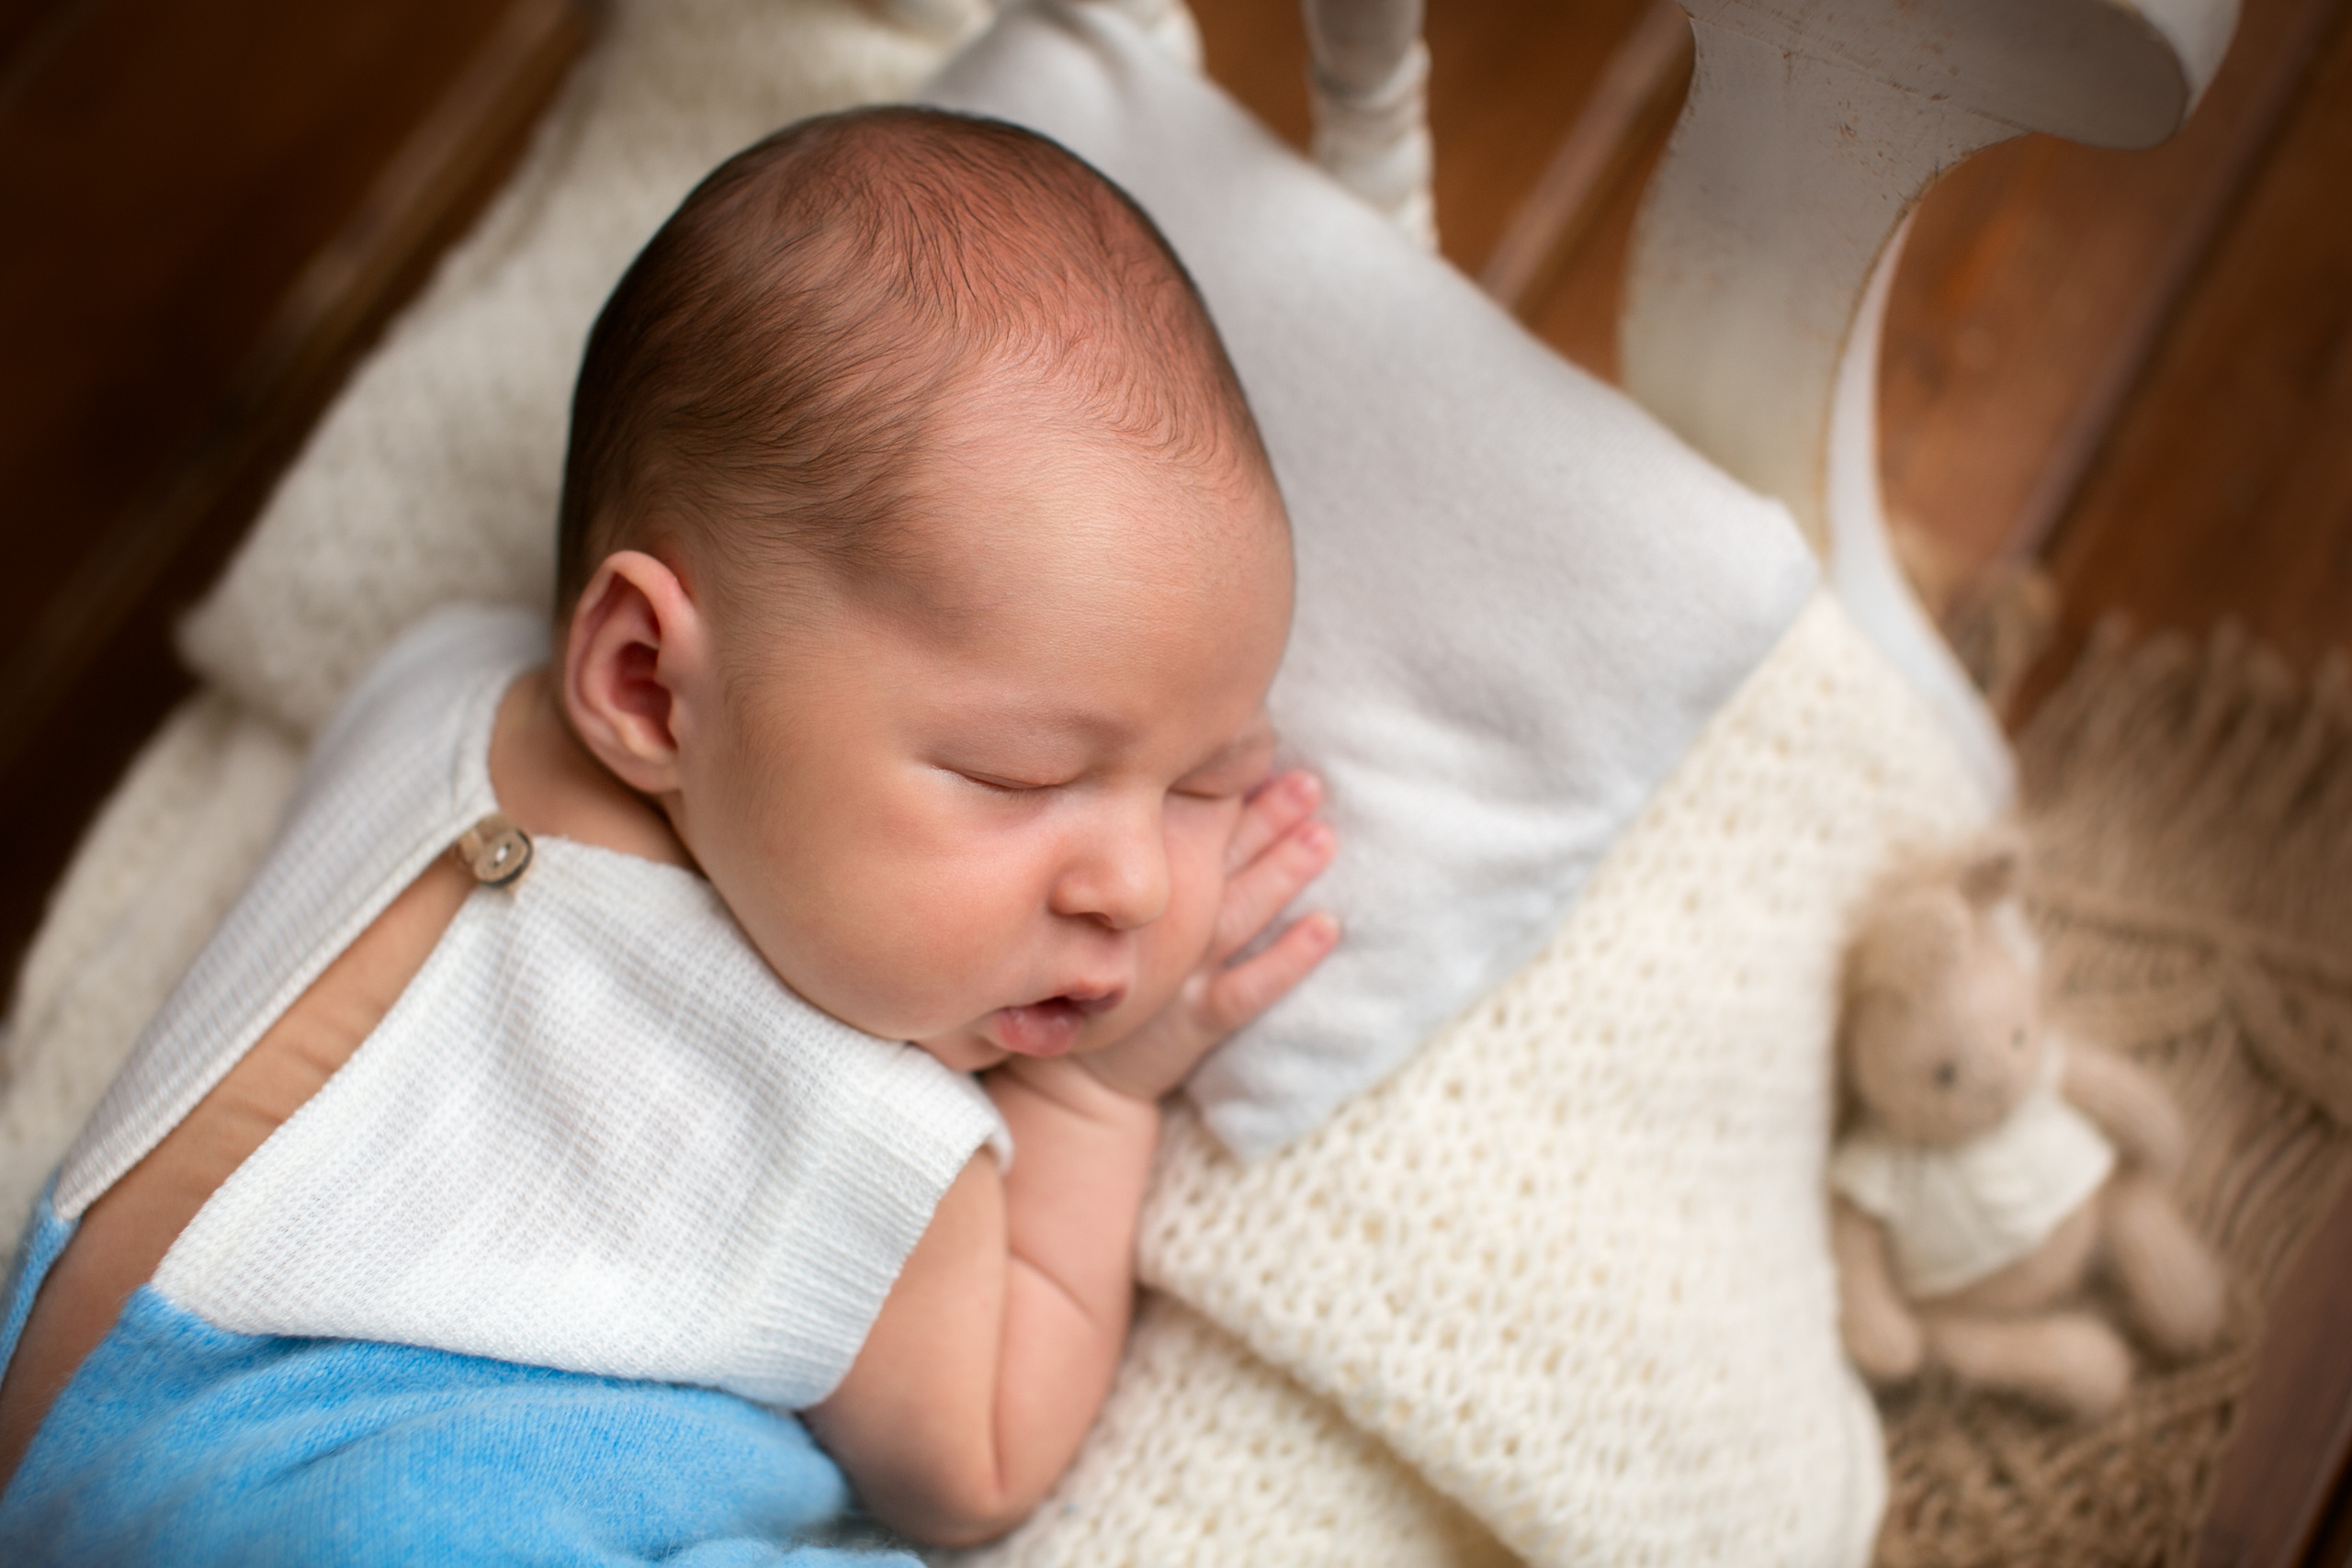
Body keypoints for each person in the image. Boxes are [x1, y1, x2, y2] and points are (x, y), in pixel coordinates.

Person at [0, 106, 1334, 1562]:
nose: (1136, 886)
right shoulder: (852, 1133)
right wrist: (1103, 1098)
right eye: (1019, 777)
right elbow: (982, 1463)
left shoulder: (438, 681)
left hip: (67, 1411)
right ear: (644, 680)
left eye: (1208, 783)